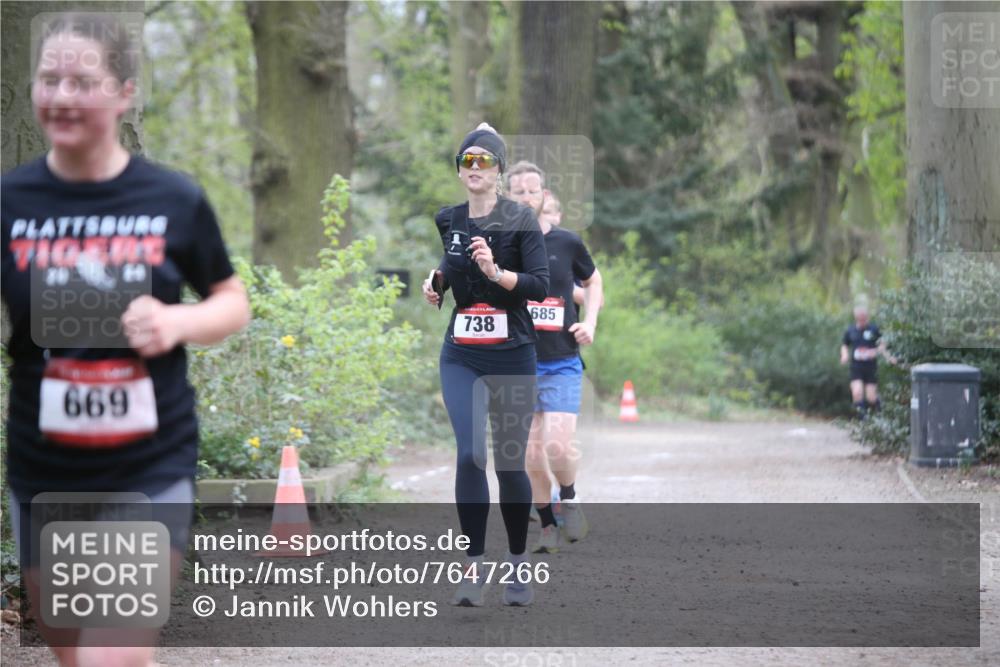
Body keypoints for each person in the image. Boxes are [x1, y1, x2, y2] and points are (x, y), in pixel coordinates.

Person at [2, 14, 250, 666]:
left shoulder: (172, 198)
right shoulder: (10, 201)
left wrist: (175, 322)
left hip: (147, 463)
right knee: (70, 649)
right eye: (49, 78)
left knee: (111, 653)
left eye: (83, 80)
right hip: (43, 465)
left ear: (124, 92)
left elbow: (232, 302)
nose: (61, 95)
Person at [421, 124, 549, 607]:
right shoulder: (449, 219)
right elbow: (450, 268)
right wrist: (435, 283)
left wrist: (498, 272)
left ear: (498, 170)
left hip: (513, 352)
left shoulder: (521, 221)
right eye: (467, 161)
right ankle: (474, 565)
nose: (475, 168)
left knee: (509, 463)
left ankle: (517, 563)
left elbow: (539, 285)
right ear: (459, 170)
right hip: (462, 352)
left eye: (484, 161)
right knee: (470, 453)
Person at [506, 162, 603, 554]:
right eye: (518, 192)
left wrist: (590, 322)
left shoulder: (567, 243)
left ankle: (570, 498)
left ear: (544, 195)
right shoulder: (500, 246)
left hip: (561, 360)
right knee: (530, 453)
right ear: (506, 199)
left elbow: (593, 281)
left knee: (558, 448)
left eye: (533, 190)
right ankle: (547, 525)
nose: (527, 197)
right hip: (517, 362)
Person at [840, 302, 889, 417]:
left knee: (871, 398)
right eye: (860, 319)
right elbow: (844, 345)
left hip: (871, 367)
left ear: (867, 317)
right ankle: (863, 424)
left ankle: (883, 417)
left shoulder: (874, 329)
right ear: (856, 318)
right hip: (856, 367)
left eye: (864, 319)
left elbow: (883, 343)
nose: (862, 322)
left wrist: (876, 352)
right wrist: (844, 355)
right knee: (857, 393)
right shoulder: (850, 330)